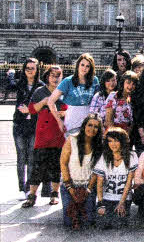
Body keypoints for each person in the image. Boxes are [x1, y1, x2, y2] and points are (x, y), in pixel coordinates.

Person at [22, 65, 67, 208]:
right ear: (47, 77)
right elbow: (31, 109)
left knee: (55, 165)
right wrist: (45, 101)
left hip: (58, 134)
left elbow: (69, 109)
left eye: (58, 75)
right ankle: (32, 195)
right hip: (42, 134)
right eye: (53, 75)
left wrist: (63, 113)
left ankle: (54, 194)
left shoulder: (64, 92)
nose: (55, 78)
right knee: (37, 166)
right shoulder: (40, 91)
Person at [59, 114, 103, 229]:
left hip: (88, 186)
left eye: (96, 127)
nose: (92, 129)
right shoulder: (72, 139)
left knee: (88, 222)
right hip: (69, 185)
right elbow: (63, 163)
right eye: (90, 125)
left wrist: (88, 190)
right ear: (84, 126)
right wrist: (70, 188)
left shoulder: (99, 145)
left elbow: (97, 170)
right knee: (69, 223)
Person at [94, 127, 138, 229]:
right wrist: (100, 204)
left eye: (116, 140)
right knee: (103, 224)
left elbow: (129, 182)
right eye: (110, 141)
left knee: (119, 224)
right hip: (107, 197)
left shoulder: (131, 156)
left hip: (123, 198)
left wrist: (122, 203)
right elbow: (99, 182)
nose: (113, 144)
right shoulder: (104, 157)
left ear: (122, 141)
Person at [48, 53, 100, 137]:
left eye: (87, 66)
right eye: (82, 65)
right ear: (78, 65)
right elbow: (50, 101)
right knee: (73, 148)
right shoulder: (68, 81)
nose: (84, 68)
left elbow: (98, 100)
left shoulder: (94, 80)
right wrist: (59, 121)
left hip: (89, 120)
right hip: (72, 121)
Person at [13, 58, 44, 197]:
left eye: (32, 68)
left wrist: (31, 110)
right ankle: (21, 188)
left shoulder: (41, 86)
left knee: (32, 157)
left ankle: (28, 188)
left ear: (37, 70)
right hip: (19, 125)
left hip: (33, 126)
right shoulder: (20, 84)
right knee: (21, 157)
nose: (29, 71)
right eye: (27, 68)